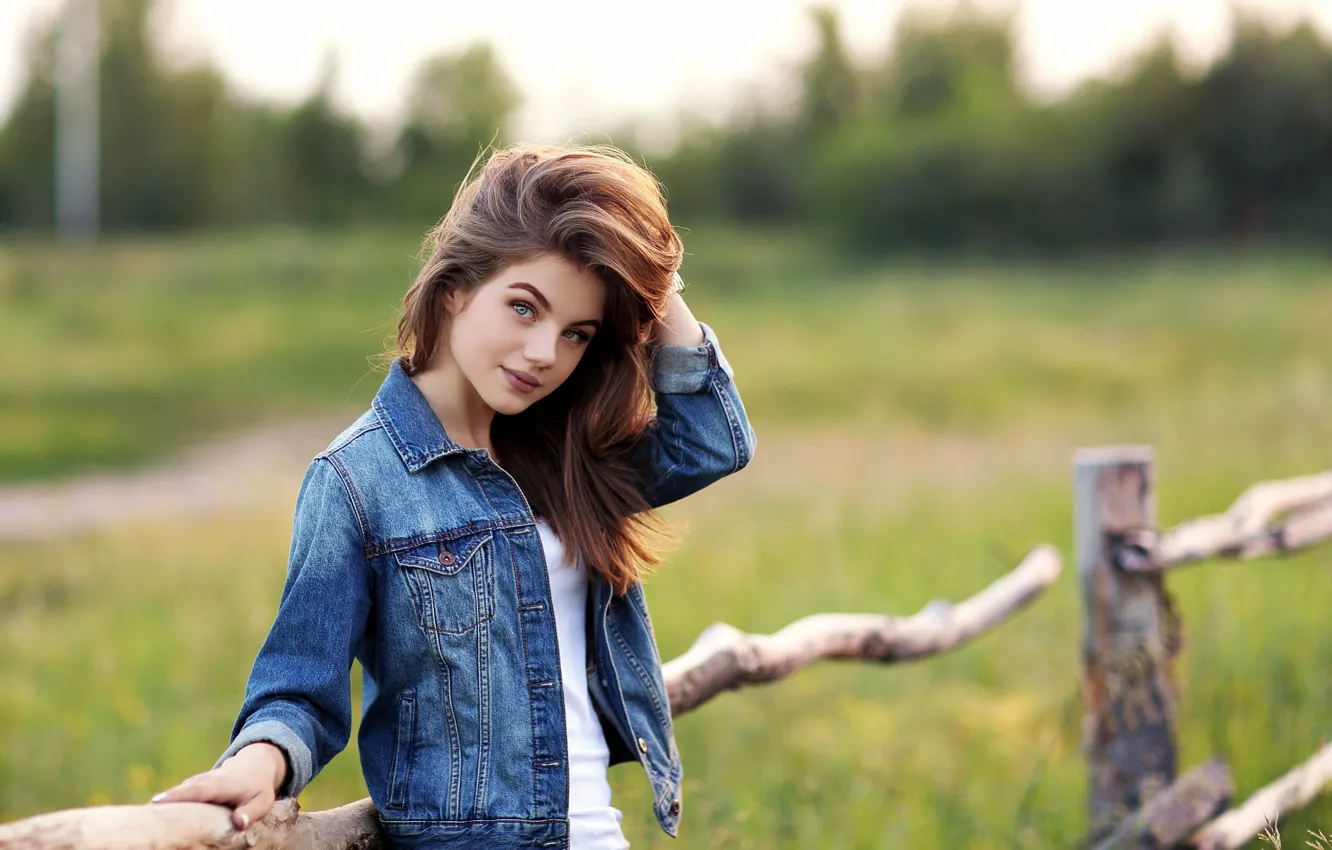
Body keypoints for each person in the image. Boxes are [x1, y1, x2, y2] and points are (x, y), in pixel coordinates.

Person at [149, 143, 757, 849]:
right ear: (454, 288)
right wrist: (260, 763)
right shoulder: (358, 478)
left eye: (575, 334)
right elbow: (298, 684)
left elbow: (714, 438)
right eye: (524, 308)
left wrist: (654, 264)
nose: (545, 355)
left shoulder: (559, 456)